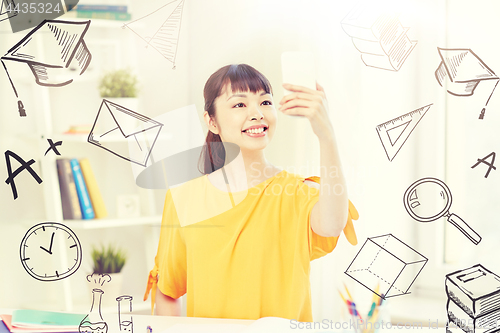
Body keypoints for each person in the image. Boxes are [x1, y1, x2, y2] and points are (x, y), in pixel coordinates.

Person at [143, 64, 359, 321]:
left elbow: (333, 224)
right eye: (239, 105)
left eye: (265, 102)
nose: (257, 113)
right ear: (211, 121)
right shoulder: (184, 199)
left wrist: (327, 136)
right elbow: (168, 290)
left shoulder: (296, 192)